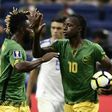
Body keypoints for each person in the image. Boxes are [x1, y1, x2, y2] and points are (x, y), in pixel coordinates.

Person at [32, 12, 112, 112]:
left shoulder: (93, 48)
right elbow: (37, 54)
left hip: (87, 102)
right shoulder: (60, 45)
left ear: (79, 29)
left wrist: (108, 84)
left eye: (69, 25)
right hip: (68, 102)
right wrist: (36, 34)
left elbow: (109, 65)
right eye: (64, 25)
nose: (64, 28)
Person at [0, 8, 59, 112]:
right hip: (8, 105)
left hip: (18, 103)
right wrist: (42, 60)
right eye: (30, 29)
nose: (32, 32)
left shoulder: (9, 44)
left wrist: (36, 34)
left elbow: (35, 51)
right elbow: (19, 66)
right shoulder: (14, 47)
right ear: (22, 29)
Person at [27, 17, 65, 112]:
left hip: (64, 95)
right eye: (53, 28)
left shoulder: (70, 47)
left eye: (58, 28)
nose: (55, 31)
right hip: (45, 94)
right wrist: (28, 94)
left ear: (64, 29)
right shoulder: (42, 46)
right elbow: (34, 70)